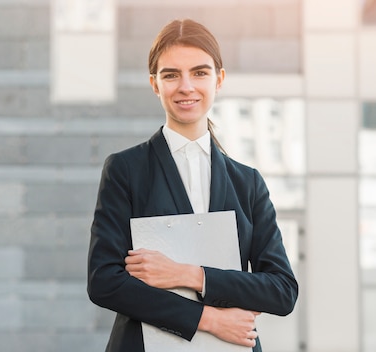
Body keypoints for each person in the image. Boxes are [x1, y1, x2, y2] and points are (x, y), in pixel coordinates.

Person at [87, 18, 298, 352]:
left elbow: (282, 290)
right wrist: (208, 319)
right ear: (155, 84)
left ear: (219, 79)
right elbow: (104, 282)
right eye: (171, 75)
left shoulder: (247, 183)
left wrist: (189, 275)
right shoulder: (125, 170)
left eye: (199, 72)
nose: (186, 86)